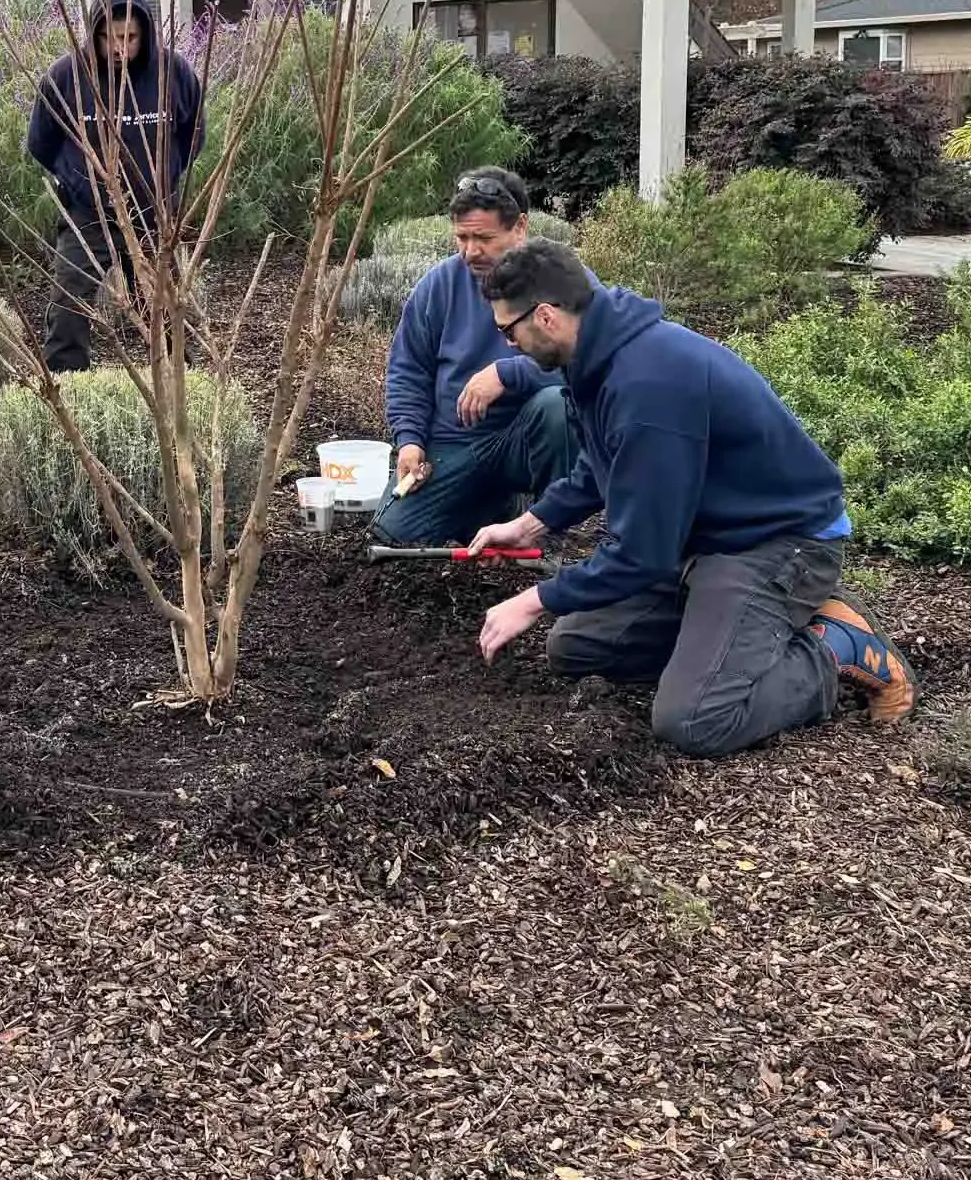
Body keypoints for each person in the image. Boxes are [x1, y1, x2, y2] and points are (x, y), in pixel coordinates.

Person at [467, 239, 915, 755]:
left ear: (545, 316)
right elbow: (601, 461)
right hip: (703, 539)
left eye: (508, 330)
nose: (508, 345)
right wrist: (530, 525)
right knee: (574, 648)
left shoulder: (647, 385)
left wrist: (533, 600)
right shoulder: (593, 356)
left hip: (774, 542)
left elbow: (641, 554)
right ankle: (728, 637)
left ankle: (837, 644)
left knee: (695, 719)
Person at [375, 168, 577, 546]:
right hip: (454, 445)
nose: (470, 251)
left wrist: (508, 372)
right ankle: (492, 505)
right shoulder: (437, 286)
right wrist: (410, 440)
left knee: (557, 406)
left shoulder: (561, 282)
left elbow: (590, 364)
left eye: (483, 238)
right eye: (462, 237)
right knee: (392, 536)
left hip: (525, 441)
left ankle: (547, 524)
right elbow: (408, 371)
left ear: (520, 227)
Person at [27, 0, 204, 375]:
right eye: (110, 38)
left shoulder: (172, 73)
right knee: (69, 299)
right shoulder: (65, 77)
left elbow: (194, 134)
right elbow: (41, 142)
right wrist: (77, 181)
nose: (121, 48)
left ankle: (178, 385)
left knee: (162, 303)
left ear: (145, 33)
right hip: (88, 212)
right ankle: (69, 385)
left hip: (151, 213)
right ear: (95, 35)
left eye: (131, 38)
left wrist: (163, 179)